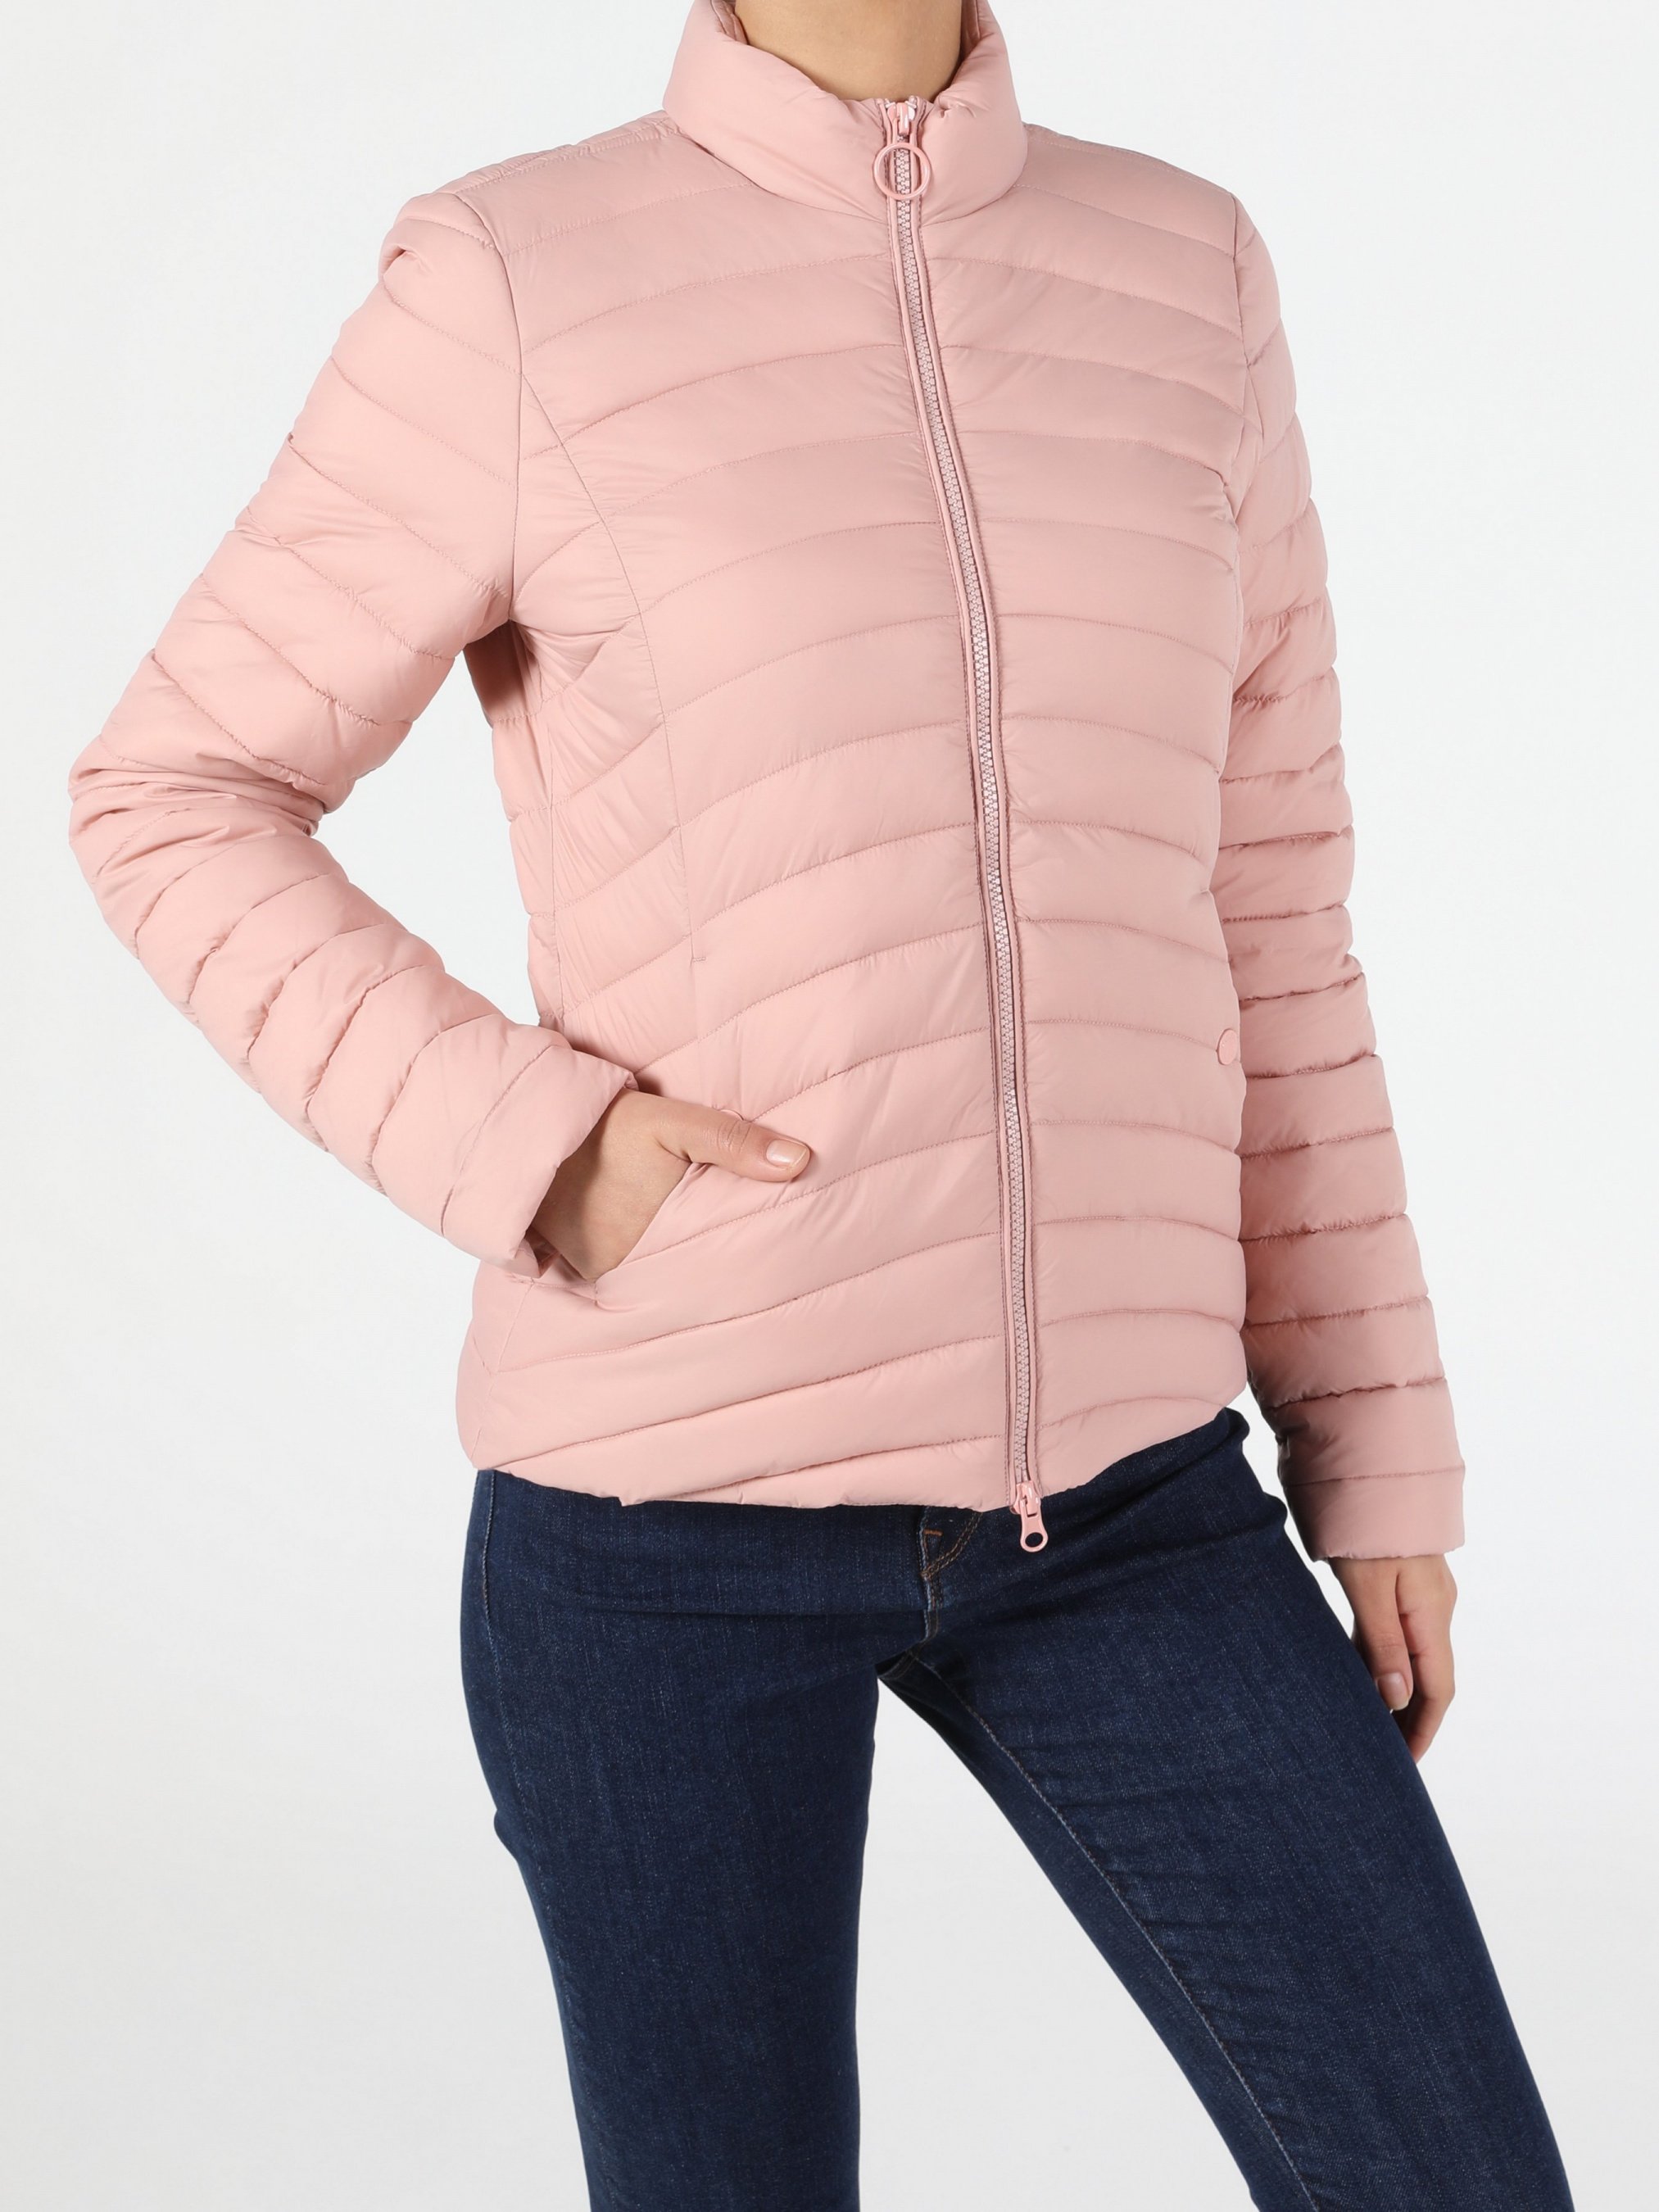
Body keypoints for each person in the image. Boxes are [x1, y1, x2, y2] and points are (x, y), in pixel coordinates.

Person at [66, 0, 1575, 2204]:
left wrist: (1376, 1440)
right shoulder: (516, 277)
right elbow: (174, 791)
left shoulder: (1185, 272)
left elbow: (1265, 901)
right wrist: (540, 1147)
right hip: (663, 1524)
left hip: (1131, 1509)